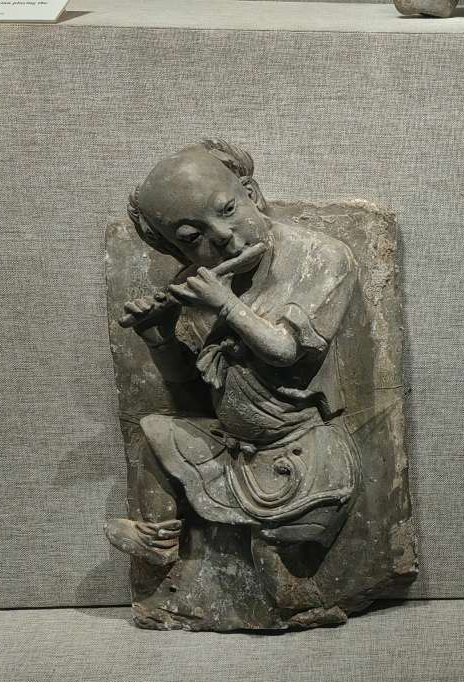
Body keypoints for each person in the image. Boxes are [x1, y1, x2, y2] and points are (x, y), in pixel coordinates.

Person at [104, 139, 360, 594]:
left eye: (226, 210)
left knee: (276, 576)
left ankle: (295, 591)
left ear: (252, 194)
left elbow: (285, 349)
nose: (221, 236)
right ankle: (159, 545)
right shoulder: (195, 284)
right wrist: (159, 337)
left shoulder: (320, 256)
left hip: (302, 453)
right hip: (234, 447)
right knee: (154, 434)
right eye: (192, 237)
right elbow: (187, 390)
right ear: (177, 252)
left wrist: (225, 305)